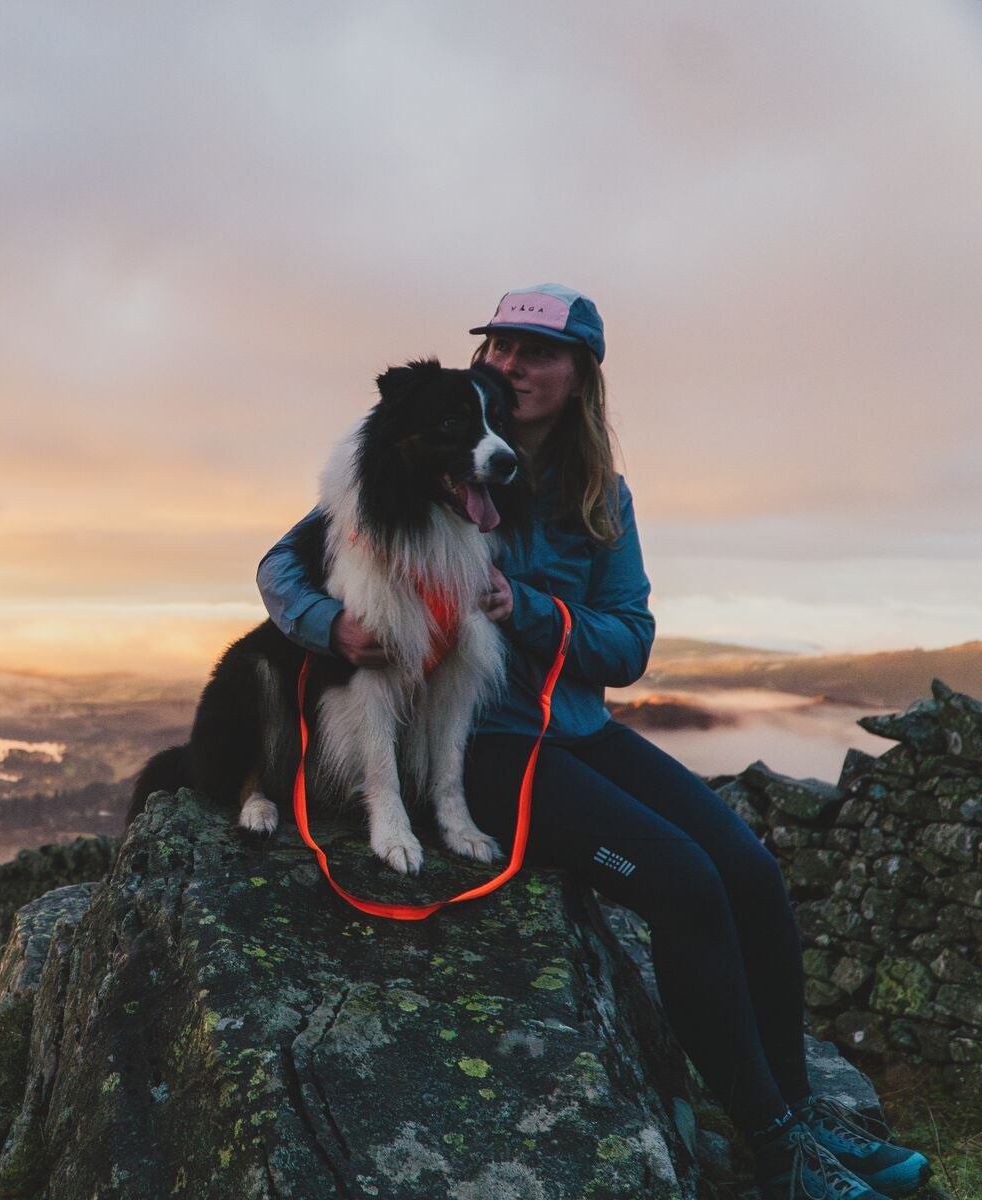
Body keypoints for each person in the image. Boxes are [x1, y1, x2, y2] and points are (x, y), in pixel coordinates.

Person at [256, 285, 931, 1200]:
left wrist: (525, 608)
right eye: (499, 347)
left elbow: (629, 644)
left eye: (538, 353)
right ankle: (778, 1152)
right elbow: (282, 565)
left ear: (580, 378)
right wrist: (329, 627)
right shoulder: (424, 464)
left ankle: (803, 1113)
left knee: (752, 873)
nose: (511, 365)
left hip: (578, 729)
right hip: (483, 746)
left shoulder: (598, 496)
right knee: (684, 884)